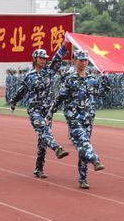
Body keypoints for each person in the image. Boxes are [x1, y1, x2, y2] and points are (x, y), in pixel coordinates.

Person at [47, 50, 110, 189]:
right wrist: (50, 112)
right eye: (80, 60)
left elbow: (102, 93)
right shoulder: (70, 79)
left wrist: (105, 77)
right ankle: (95, 159)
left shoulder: (92, 79)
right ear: (75, 61)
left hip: (88, 117)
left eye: (85, 60)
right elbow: (60, 97)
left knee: (82, 147)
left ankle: (83, 178)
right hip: (73, 116)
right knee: (84, 140)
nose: (83, 63)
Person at [9, 43, 70, 179]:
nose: (44, 60)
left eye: (45, 58)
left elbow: (57, 59)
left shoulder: (49, 71)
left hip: (47, 111)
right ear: (35, 59)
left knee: (43, 140)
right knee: (44, 131)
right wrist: (13, 102)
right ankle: (57, 148)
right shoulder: (29, 76)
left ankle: (39, 168)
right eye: (41, 58)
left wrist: (64, 46)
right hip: (34, 110)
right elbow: (21, 91)